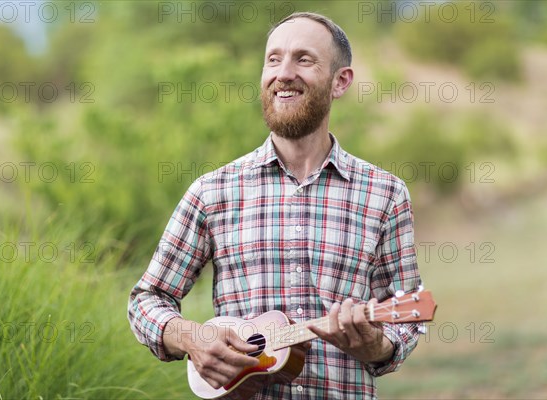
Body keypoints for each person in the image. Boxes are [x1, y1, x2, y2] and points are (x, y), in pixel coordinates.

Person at [128, 12, 422, 399]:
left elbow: (406, 315)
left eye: (304, 59)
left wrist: (377, 346)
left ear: (340, 81)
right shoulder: (213, 191)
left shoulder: (385, 194)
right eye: (273, 59)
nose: (283, 73)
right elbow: (147, 301)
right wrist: (192, 338)